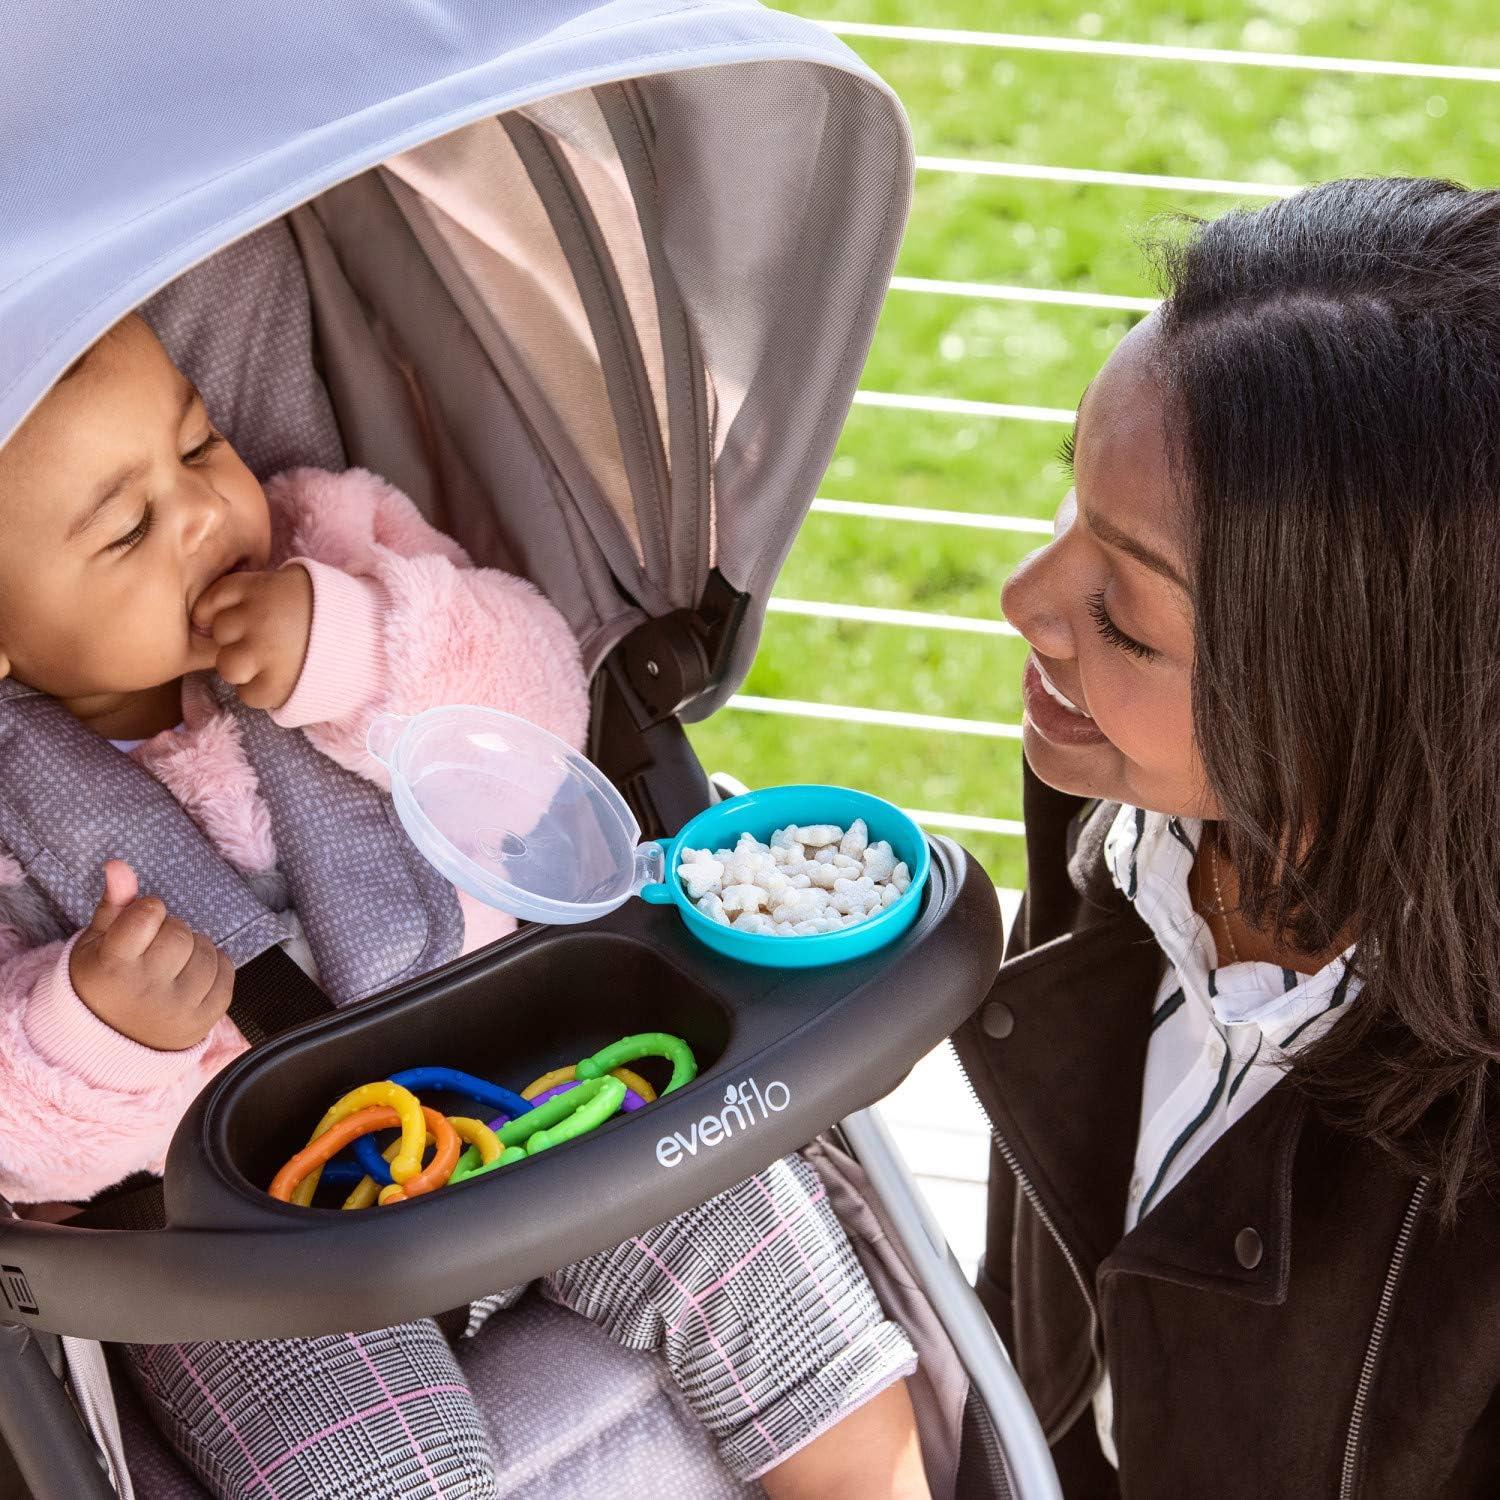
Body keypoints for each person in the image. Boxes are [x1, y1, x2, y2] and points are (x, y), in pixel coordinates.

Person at [0, 311, 929, 1500]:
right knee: (366, 1466)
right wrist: (94, 1033)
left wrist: (360, 651)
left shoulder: (329, 538)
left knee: (746, 1246)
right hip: (237, 1233)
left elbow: (542, 710)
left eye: (197, 447)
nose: (202, 514)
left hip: (526, 1058)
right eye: (126, 528)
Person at [954, 176, 1500, 1498]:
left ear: (1371, 704)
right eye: (1069, 503)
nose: (1025, 600)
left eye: (1128, 613)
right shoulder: (1118, 798)